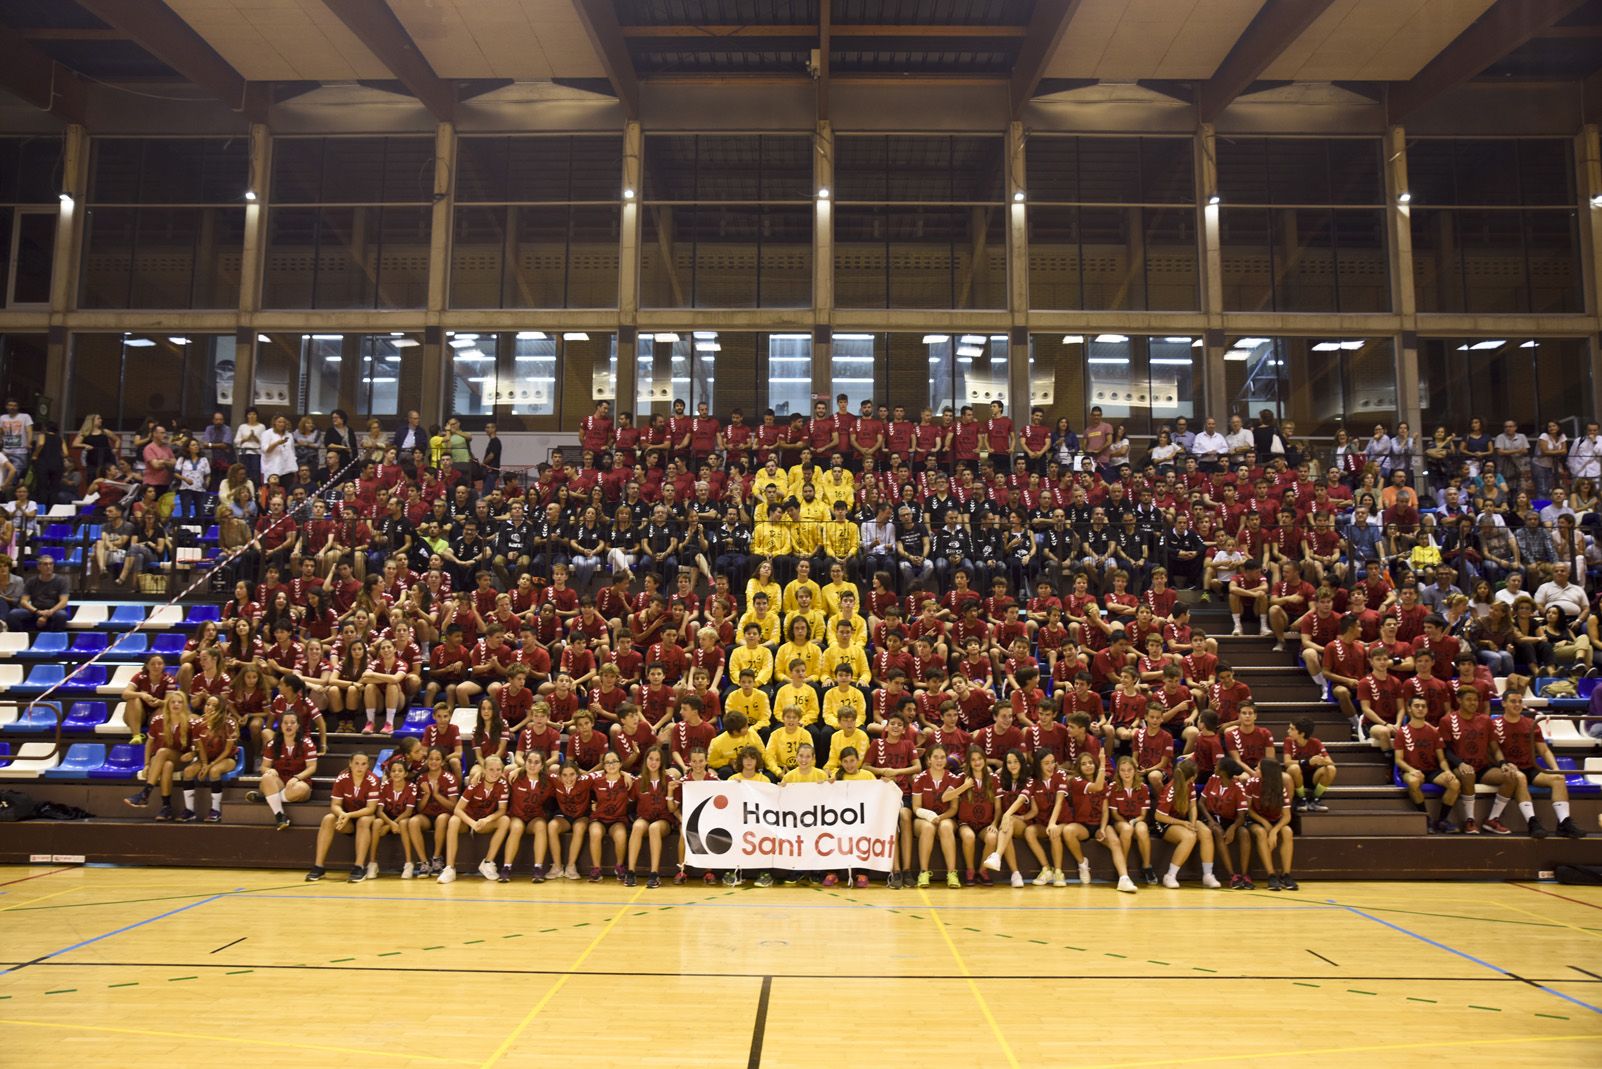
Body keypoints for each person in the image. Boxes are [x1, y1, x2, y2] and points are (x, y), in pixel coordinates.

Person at [308, 752, 380, 883]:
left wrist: (348, 815)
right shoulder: (342, 778)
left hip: (364, 817)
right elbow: (335, 805)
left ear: (368, 765)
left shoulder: (373, 780)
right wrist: (342, 814)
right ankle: (318, 866)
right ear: (350, 764)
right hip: (347, 818)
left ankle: (359, 867)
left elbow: (371, 809)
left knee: (364, 821)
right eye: (356, 763)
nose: (360, 767)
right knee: (328, 819)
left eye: (363, 764)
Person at [439, 753, 510, 883]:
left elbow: (502, 810)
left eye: (498, 769)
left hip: (484, 822)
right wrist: (472, 823)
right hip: (468, 821)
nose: (495, 773)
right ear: (483, 770)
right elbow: (457, 809)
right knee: (454, 820)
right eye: (491, 769)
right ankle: (449, 868)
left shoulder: (502, 784)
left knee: (505, 820)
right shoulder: (475, 783)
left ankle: (488, 862)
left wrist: (487, 820)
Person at [1244, 758, 1298, 891]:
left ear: (1266, 772)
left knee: (1287, 832)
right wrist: (1264, 822)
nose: (1255, 770)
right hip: (1256, 820)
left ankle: (1286, 875)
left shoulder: (1280, 788)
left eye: (1258, 768)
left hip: (1275, 821)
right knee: (1261, 833)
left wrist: (1274, 831)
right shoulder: (1252, 783)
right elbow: (1248, 810)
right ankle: (1271, 875)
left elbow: (1287, 816)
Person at [9, 553, 68, 631]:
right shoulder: (31, 581)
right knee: (13, 614)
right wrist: (37, 611)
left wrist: (49, 613)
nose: (49, 566)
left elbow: (63, 602)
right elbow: (24, 601)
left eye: (51, 564)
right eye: (45, 564)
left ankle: (55, 639)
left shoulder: (61, 581)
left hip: (54, 611)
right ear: (39, 567)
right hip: (35, 611)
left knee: (61, 615)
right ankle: (21, 638)